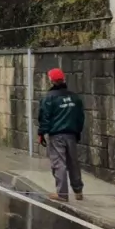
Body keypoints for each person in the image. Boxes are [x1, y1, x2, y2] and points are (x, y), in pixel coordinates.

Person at [38, 67, 85, 202]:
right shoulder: (75, 97)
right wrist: (78, 131)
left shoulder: (49, 98)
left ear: (51, 80)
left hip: (57, 135)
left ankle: (62, 194)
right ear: (63, 79)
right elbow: (80, 117)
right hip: (72, 134)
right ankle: (78, 191)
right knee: (73, 162)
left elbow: (45, 117)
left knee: (59, 163)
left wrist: (41, 133)